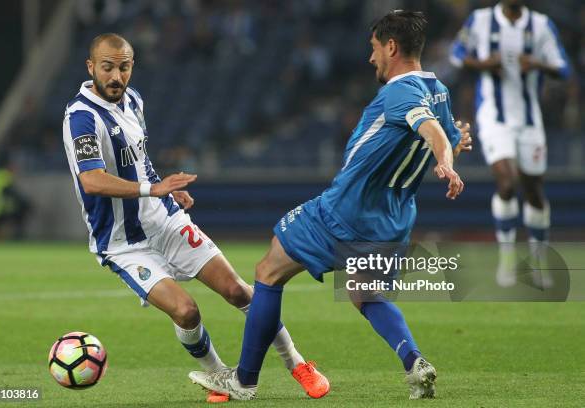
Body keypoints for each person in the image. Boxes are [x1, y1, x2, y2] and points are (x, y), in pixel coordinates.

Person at [189, 10, 471, 401]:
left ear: (391, 47)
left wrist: (444, 158)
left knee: (268, 271)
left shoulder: (400, 91)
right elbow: (444, 133)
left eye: (374, 49)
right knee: (365, 293)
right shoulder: (437, 87)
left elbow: (432, 131)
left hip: (347, 210)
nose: (371, 58)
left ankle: (243, 380)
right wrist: (451, 148)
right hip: (394, 222)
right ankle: (414, 362)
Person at [62, 33, 329, 403]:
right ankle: (219, 374)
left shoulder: (134, 101)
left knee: (239, 291)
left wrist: (162, 189)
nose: (116, 76)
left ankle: (298, 363)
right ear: (91, 67)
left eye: (123, 67)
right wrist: (149, 190)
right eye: (107, 67)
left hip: (165, 220)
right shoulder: (80, 117)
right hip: (123, 243)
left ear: (132, 66)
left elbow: (141, 163)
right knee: (186, 312)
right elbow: (91, 180)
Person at [449, 0, 570, 286]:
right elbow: (456, 55)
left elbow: (563, 69)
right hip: (494, 118)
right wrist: (482, 64)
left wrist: (538, 64)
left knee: (534, 191)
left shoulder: (540, 24)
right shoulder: (479, 20)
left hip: (530, 122)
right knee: (506, 181)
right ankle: (506, 260)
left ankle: (538, 262)